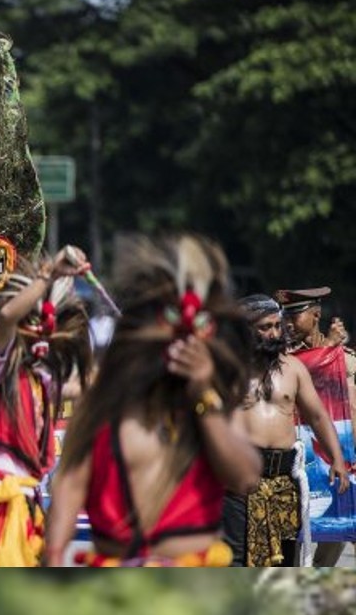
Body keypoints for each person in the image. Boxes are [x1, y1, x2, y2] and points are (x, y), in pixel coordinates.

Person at [46, 234, 262, 567]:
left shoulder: (216, 403)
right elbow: (70, 483)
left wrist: (203, 395)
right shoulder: (105, 405)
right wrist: (54, 556)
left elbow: (245, 477)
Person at [0, 246, 93, 566]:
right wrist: (47, 275)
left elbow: (83, 386)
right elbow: (8, 317)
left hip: (25, 501)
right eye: (32, 323)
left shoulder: (40, 382)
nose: (40, 334)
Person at [223, 294, 348, 567]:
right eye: (264, 328)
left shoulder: (293, 368)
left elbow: (317, 416)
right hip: (239, 482)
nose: (274, 333)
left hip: (283, 483)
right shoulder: (228, 371)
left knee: (284, 562)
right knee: (235, 562)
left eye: (276, 326)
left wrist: (337, 460)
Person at [276, 286, 356, 567]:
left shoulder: (344, 360)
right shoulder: (283, 360)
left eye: (294, 316)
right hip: (300, 466)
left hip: (344, 464)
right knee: (294, 544)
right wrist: (327, 351)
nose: (286, 323)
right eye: (284, 316)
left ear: (315, 315)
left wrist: (332, 352)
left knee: (336, 538)